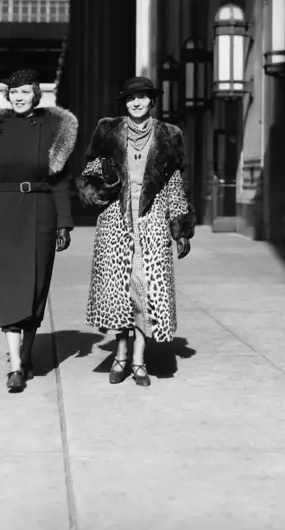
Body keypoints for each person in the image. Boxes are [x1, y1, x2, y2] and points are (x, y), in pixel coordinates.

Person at [77, 76, 195, 387]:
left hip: (152, 218)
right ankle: (120, 354)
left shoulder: (170, 135)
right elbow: (91, 170)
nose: (137, 103)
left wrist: (180, 228)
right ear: (125, 102)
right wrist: (101, 186)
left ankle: (139, 360)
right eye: (131, 98)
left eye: (142, 97)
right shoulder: (107, 130)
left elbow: (174, 184)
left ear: (152, 101)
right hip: (116, 217)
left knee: (145, 290)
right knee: (119, 292)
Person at [0, 69, 78, 393]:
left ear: (36, 94)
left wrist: (63, 223)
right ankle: (16, 367)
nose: (18, 97)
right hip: (4, 213)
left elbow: (60, 183)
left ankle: (27, 354)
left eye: (24, 91)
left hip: (41, 211)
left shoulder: (52, 127)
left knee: (36, 290)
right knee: (9, 288)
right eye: (13, 92)